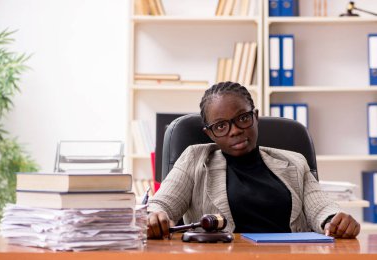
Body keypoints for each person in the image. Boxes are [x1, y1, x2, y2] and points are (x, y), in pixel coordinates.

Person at [147, 81, 360, 239]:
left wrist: (334, 221)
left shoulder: (294, 162)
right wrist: (155, 216)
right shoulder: (195, 158)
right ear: (210, 133)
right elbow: (162, 203)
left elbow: (321, 208)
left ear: (255, 117)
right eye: (221, 126)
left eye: (242, 118)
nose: (236, 131)